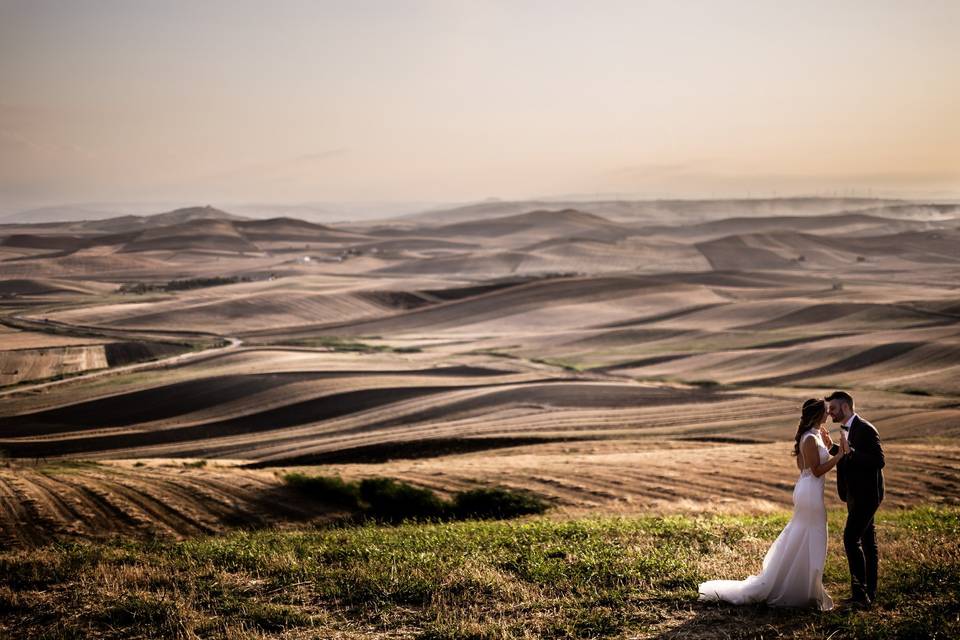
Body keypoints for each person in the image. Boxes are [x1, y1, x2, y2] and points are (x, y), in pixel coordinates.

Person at [698, 398, 844, 609]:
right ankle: (800, 591)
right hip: (810, 493)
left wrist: (829, 446)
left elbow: (808, 466)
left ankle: (805, 588)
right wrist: (839, 455)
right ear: (816, 415)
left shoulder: (814, 435)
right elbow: (816, 470)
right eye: (825, 411)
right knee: (812, 536)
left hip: (808, 490)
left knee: (805, 537)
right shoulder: (810, 438)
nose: (829, 414)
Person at [825, 390, 885, 608]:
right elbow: (846, 457)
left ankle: (860, 597)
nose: (829, 413)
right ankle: (868, 594)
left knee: (851, 539)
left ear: (845, 407)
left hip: (867, 495)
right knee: (868, 543)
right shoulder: (846, 429)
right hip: (853, 495)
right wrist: (831, 446)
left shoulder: (866, 429)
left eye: (832, 408)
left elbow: (879, 461)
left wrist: (851, 452)